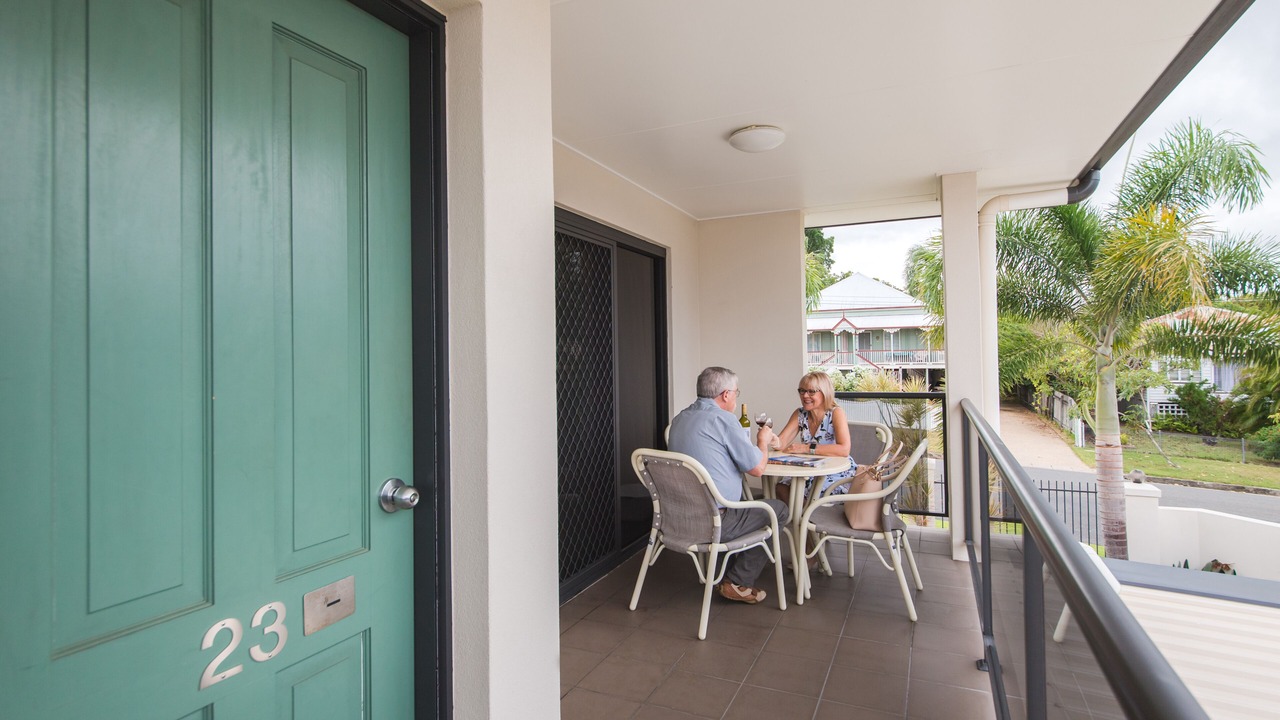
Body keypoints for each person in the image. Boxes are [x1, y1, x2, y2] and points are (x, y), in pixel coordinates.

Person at [668, 366, 788, 604]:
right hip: (715, 522)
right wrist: (762, 442)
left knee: (745, 502)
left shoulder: (679, 418)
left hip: (678, 518)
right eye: (736, 392)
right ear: (725, 394)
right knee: (778, 509)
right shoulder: (724, 419)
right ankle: (738, 581)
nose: (735, 397)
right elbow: (756, 468)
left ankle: (724, 570)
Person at [771, 370, 856, 505]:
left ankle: (805, 518)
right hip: (808, 469)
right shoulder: (800, 414)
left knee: (809, 493)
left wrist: (805, 448)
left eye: (811, 392)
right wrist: (770, 438)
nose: (805, 395)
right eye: (802, 391)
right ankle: (803, 519)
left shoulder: (836, 413)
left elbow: (844, 449)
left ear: (824, 392)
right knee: (781, 487)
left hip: (833, 471)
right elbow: (782, 442)